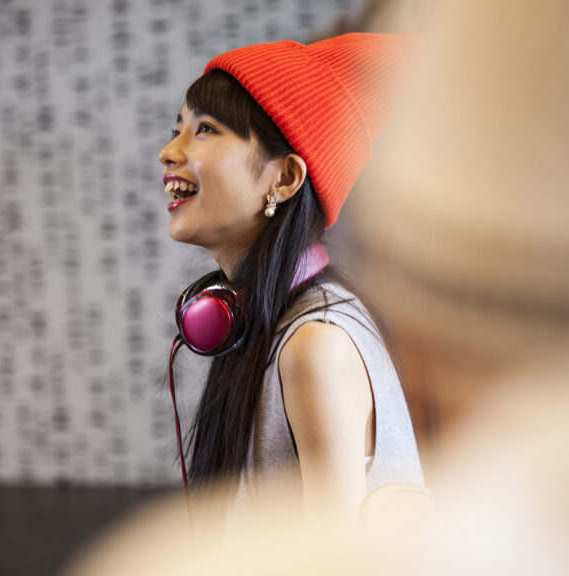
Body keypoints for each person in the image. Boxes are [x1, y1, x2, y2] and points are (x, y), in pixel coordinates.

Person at [158, 33, 424, 523]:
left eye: (205, 130)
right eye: (178, 129)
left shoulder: (315, 346)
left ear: (284, 179)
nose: (168, 152)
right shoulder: (269, 321)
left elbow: (334, 562)